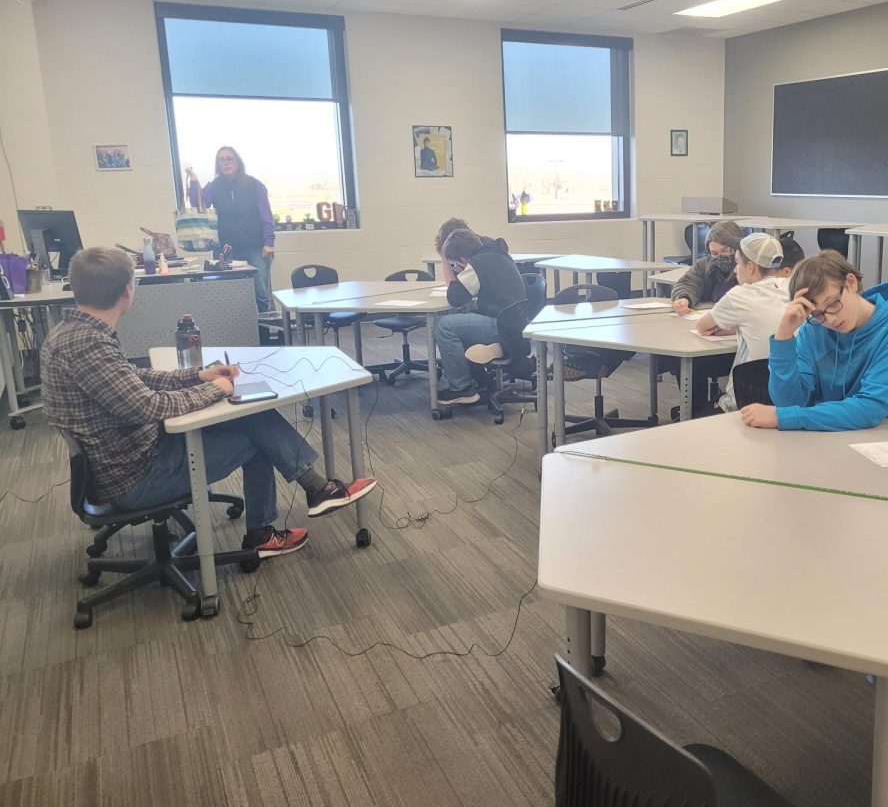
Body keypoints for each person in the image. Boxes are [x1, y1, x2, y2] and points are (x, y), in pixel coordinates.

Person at [42, 247, 378, 559]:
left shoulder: (75, 332)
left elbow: (137, 378)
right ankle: (266, 531)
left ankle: (318, 489)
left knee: (251, 416)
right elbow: (149, 407)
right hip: (136, 477)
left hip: (125, 457)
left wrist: (200, 376)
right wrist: (216, 389)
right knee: (258, 439)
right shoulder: (89, 345)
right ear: (128, 290)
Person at [741, 249, 888, 430]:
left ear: (851, 282)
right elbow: (789, 402)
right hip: (823, 438)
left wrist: (786, 417)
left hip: (880, 441)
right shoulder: (813, 330)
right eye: (817, 314)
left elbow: (869, 409)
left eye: (833, 304)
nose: (831, 319)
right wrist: (783, 337)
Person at [695, 232, 789, 412]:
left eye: (737, 262)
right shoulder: (791, 286)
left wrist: (733, 325)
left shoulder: (740, 295)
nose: (735, 269)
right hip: (789, 397)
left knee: (699, 414)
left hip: (748, 401)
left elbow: (701, 326)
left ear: (751, 267)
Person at [435, 228, 530, 405]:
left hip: (500, 324)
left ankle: (461, 388)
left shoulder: (477, 264)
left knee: (444, 325)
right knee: (462, 320)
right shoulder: (499, 254)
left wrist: (458, 271)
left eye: (455, 264)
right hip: (515, 323)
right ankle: (478, 375)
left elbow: (455, 298)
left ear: (462, 258)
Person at [666, 220, 746, 416]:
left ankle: (701, 411)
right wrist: (683, 299)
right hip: (711, 336)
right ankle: (696, 410)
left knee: (695, 363)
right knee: (679, 358)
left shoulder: (747, 268)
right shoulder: (706, 265)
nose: (721, 258)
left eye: (726, 251)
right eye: (715, 253)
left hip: (737, 345)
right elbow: (687, 283)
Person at [186, 146, 276, 313]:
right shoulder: (214, 186)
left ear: (237, 162)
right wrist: (193, 180)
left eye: (229, 158)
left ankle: (270, 335)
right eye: (222, 159)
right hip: (226, 250)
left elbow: (266, 215)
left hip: (256, 248)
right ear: (218, 164)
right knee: (232, 295)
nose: (226, 162)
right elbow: (199, 205)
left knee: (261, 293)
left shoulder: (254, 184)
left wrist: (269, 243)